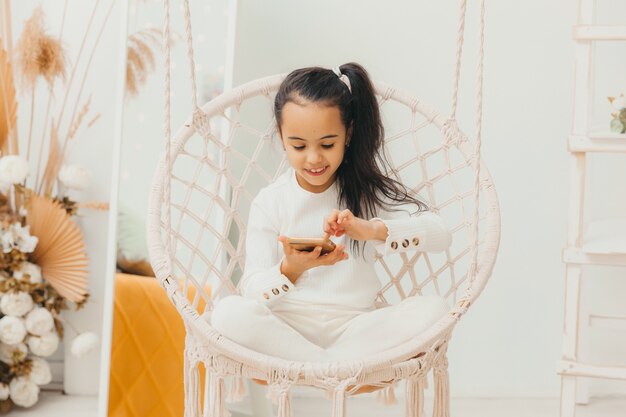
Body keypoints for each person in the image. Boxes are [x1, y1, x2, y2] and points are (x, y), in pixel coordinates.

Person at [211, 63, 452, 362]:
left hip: (356, 328)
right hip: (287, 329)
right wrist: (291, 269)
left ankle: (317, 365)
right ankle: (330, 367)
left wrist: (372, 230)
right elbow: (251, 291)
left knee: (434, 311)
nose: (313, 158)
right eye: (298, 146)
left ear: (348, 134)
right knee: (227, 313)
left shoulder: (365, 192)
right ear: (280, 135)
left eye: (328, 143)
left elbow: (441, 235)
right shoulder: (270, 201)